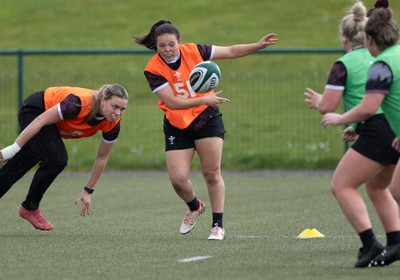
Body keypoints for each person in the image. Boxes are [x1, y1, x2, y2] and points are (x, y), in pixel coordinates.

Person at [133, 19, 277, 240]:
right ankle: (194, 206)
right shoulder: (153, 69)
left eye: (171, 44)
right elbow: (171, 102)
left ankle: (217, 225)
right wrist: (204, 98)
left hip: (206, 119)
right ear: (156, 45)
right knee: (178, 179)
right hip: (177, 124)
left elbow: (229, 51)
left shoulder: (195, 51)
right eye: (162, 45)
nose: (168, 49)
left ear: (179, 42)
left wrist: (256, 46)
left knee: (211, 174)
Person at [304, 0, 399, 268]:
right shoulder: (385, 56)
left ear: (346, 39)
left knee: (341, 185)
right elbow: (383, 101)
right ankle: (395, 242)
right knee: (379, 187)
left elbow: (334, 106)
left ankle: (370, 244)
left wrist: (324, 106)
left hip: (378, 130)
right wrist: (355, 126)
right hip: (391, 129)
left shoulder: (346, 63)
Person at [0, 84, 129, 231]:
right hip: (36, 110)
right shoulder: (77, 104)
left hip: (49, 124)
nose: (118, 113)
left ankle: (29, 207)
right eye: (115, 107)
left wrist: (88, 190)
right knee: (57, 159)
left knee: (24, 163)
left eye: (122, 109)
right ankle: (30, 207)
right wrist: (12, 150)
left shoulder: (112, 124)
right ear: (103, 100)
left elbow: (102, 157)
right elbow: (40, 121)